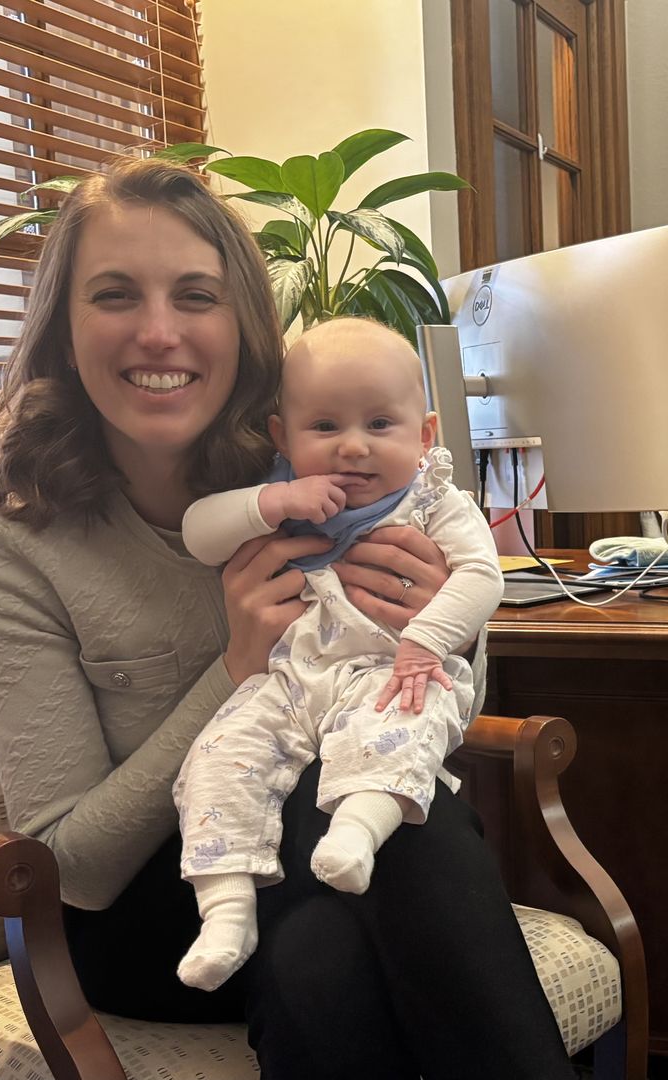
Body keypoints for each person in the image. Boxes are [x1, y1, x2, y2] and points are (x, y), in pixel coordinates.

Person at [0, 156, 575, 1079]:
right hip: (148, 911)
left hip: (331, 854)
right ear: (63, 326)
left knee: (342, 912)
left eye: (195, 296)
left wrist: (434, 617)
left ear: (242, 325)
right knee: (399, 852)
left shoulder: (314, 466)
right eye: (116, 294)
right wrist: (237, 665)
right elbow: (73, 866)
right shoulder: (11, 541)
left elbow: (424, 709)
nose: (159, 333)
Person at [172, 317, 505, 991]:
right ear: (283, 438)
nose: (352, 447)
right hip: (291, 678)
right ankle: (227, 912)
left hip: (389, 672)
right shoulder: (282, 496)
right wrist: (271, 502)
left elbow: (482, 577)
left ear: (426, 435)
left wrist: (426, 640)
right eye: (324, 427)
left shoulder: (433, 500)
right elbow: (198, 535)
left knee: (403, 727)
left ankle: (355, 833)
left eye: (380, 424)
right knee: (217, 756)